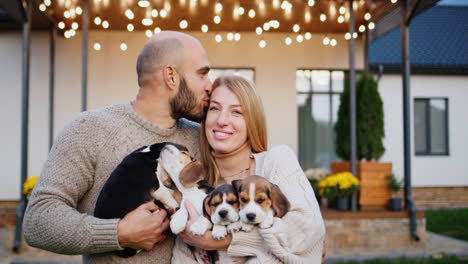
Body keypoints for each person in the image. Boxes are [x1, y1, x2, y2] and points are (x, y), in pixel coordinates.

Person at [23, 31, 212, 263]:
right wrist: (118, 233)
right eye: (202, 74)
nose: (210, 85)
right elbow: (38, 220)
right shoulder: (89, 129)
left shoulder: (202, 137)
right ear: (171, 76)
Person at [172, 75, 326, 263]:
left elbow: (307, 229)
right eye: (214, 108)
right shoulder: (199, 190)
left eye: (236, 112)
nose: (222, 120)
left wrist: (219, 241)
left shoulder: (276, 161)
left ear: (252, 121)